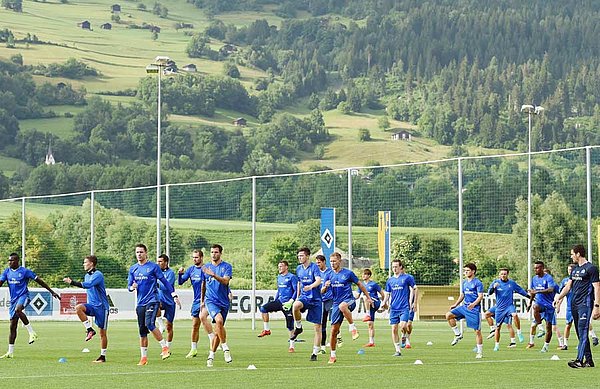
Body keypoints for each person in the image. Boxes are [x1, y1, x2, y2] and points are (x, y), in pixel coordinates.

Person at [0, 253, 61, 359]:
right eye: (9, 260)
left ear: (17, 261)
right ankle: (10, 352)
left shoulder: (25, 271)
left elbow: (40, 281)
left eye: (12, 260)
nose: (10, 262)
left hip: (24, 296)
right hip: (14, 300)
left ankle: (32, 332)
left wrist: (51, 291)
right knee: (12, 326)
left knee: (18, 310)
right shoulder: (7, 272)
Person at [128, 244, 176, 365]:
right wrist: (131, 287)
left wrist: (174, 294)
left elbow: (164, 281)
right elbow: (129, 286)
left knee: (149, 323)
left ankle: (165, 347)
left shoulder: (153, 267)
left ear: (146, 253)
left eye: (141, 252)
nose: (139, 254)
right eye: (137, 252)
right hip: (140, 303)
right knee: (142, 331)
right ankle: (143, 358)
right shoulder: (133, 268)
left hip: (153, 300)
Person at [554, 245, 600, 368]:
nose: (571, 256)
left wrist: (597, 306)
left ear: (578, 254)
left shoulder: (591, 268)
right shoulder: (574, 270)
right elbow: (568, 287)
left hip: (585, 304)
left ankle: (579, 360)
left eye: (572, 254)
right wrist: (559, 297)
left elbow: (597, 287)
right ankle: (589, 361)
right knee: (581, 333)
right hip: (574, 304)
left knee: (583, 331)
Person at [324, 252, 371, 364]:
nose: (332, 263)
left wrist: (368, 297)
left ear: (340, 261)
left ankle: (352, 328)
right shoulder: (329, 274)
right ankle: (333, 355)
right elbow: (322, 291)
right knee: (334, 331)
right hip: (336, 304)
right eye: (331, 261)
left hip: (349, 301)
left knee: (343, 306)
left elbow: (360, 285)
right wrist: (325, 287)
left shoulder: (348, 273)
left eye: (334, 261)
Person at [62, 255, 109, 363]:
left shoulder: (98, 275)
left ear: (91, 263)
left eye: (85, 262)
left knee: (103, 333)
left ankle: (102, 356)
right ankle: (89, 329)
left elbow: (88, 285)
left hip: (102, 308)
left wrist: (72, 282)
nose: (83, 264)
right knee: (78, 308)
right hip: (91, 306)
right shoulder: (86, 276)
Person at [179, 249, 216, 358]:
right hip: (196, 301)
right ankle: (193, 349)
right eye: (193, 257)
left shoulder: (206, 269)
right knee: (195, 325)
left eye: (196, 257)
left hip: (209, 299)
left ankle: (214, 340)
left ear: (201, 257)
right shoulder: (191, 270)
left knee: (211, 321)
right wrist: (180, 274)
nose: (195, 259)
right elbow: (181, 282)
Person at [290, 247, 323, 362]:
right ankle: (298, 327)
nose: (300, 258)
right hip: (304, 297)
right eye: (298, 256)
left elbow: (319, 280)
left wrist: (311, 286)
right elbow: (299, 283)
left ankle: (314, 353)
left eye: (302, 256)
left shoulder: (314, 267)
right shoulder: (299, 268)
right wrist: (298, 296)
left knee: (317, 327)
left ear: (308, 256)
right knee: (295, 306)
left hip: (316, 300)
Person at [445, 263, 484, 359]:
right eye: (465, 271)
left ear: (473, 271)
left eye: (467, 270)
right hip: (464, 307)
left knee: (477, 331)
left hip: (474, 309)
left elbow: (480, 296)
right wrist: (456, 304)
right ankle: (458, 334)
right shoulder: (464, 282)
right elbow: (462, 295)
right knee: (448, 315)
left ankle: (479, 352)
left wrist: (473, 304)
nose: (465, 272)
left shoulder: (477, 283)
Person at [203, 244, 233, 368]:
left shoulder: (226, 267)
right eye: (212, 252)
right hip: (211, 301)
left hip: (224, 302)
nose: (213, 254)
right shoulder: (206, 268)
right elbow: (203, 285)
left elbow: (226, 281)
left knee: (217, 331)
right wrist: (202, 300)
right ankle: (225, 347)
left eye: (216, 252)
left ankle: (211, 356)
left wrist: (214, 275)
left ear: (220, 253)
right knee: (219, 320)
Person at [257, 260, 298, 350]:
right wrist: (275, 301)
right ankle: (267, 330)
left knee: (290, 325)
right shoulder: (279, 277)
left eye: (281, 266)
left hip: (288, 304)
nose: (279, 268)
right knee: (263, 308)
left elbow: (296, 290)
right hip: (279, 301)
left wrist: (291, 301)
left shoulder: (292, 277)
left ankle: (291, 346)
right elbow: (279, 290)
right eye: (278, 266)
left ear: (286, 267)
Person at [486, 268, 529, 351]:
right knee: (498, 328)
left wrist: (529, 297)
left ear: (507, 275)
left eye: (505, 274)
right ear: (499, 275)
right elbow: (489, 293)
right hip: (499, 308)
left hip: (509, 306)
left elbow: (520, 291)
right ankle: (497, 345)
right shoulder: (495, 283)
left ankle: (519, 332)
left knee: (515, 315)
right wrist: (493, 288)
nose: (503, 275)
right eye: (501, 274)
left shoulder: (511, 283)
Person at [383, 260, 417, 357]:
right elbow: (387, 294)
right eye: (393, 267)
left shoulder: (407, 278)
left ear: (401, 267)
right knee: (394, 329)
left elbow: (415, 288)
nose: (394, 268)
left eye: (396, 266)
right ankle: (398, 350)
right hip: (394, 308)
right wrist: (384, 303)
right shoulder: (390, 280)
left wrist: (414, 302)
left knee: (403, 326)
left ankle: (404, 336)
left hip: (404, 307)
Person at [526, 261, 556, 352]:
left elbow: (551, 289)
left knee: (549, 327)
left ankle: (546, 346)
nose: (535, 269)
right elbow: (532, 292)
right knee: (535, 307)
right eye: (535, 268)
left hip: (549, 305)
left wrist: (537, 292)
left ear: (542, 268)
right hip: (540, 303)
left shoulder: (548, 277)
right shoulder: (534, 278)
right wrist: (530, 303)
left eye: (537, 268)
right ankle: (540, 328)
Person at [156, 254, 181, 350]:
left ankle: (168, 347)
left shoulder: (170, 273)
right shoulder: (155, 272)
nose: (158, 263)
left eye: (160, 261)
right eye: (157, 261)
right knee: (156, 305)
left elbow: (166, 286)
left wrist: (157, 283)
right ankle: (160, 324)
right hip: (160, 299)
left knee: (169, 326)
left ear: (166, 262)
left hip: (170, 302)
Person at [359, 268, 384, 348]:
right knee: (370, 324)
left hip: (375, 302)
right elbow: (357, 295)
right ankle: (371, 342)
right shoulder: (361, 285)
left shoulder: (373, 284)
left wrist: (384, 303)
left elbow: (382, 293)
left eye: (365, 274)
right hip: (369, 306)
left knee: (366, 298)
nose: (363, 275)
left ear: (369, 275)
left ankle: (367, 314)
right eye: (363, 274)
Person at [316, 254, 336, 354]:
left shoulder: (330, 272)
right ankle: (323, 347)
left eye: (319, 262)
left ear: (324, 262)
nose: (318, 264)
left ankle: (338, 335)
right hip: (320, 301)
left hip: (330, 299)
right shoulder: (316, 273)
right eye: (316, 263)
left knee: (333, 320)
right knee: (322, 325)